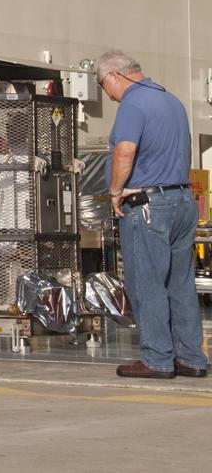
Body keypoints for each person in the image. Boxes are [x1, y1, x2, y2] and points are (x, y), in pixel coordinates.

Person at [98, 49, 208, 380]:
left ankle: (158, 358)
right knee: (180, 283)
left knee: (147, 283)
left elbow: (125, 150)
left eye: (104, 85)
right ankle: (191, 357)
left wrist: (115, 191)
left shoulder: (133, 102)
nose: (108, 94)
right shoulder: (171, 101)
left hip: (149, 207)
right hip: (182, 201)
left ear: (116, 76)